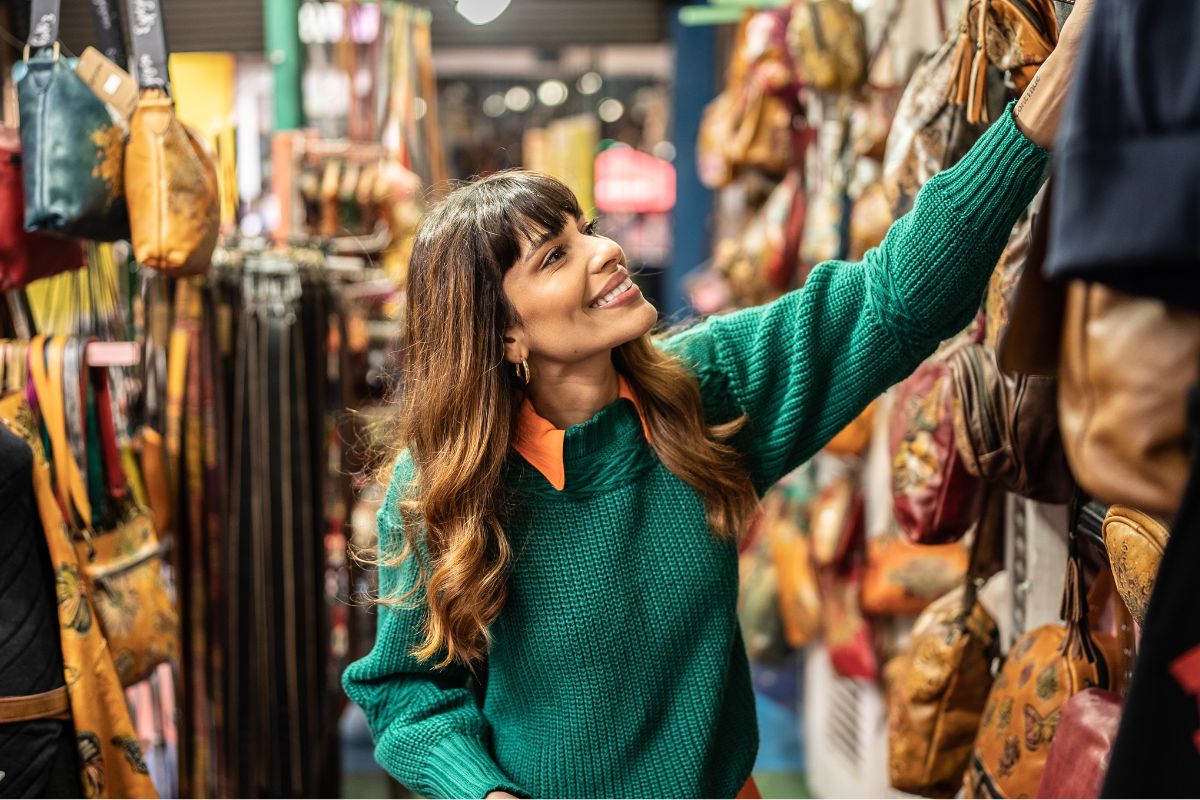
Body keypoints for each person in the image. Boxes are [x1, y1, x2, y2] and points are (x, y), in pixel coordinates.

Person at [342, 2, 1093, 796]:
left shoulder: (701, 392)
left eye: (589, 228)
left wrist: (1037, 113)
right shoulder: (439, 491)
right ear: (501, 337)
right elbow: (408, 692)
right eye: (558, 255)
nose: (607, 252)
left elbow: (893, 299)